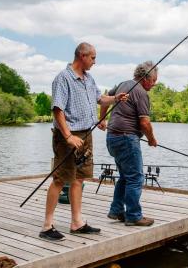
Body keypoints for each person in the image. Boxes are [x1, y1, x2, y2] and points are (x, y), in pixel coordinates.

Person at [40, 42, 128, 241]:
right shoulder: (63, 78)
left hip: (86, 135)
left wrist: (115, 98)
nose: (95, 62)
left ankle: (76, 223)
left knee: (79, 178)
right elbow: (57, 110)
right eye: (93, 58)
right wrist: (68, 136)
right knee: (60, 179)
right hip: (68, 136)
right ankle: (47, 226)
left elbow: (99, 99)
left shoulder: (89, 78)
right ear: (82, 56)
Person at [99, 61, 158, 227]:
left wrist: (102, 119)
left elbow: (104, 100)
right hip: (127, 139)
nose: (154, 84)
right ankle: (133, 215)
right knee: (136, 178)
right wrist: (152, 139)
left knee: (126, 176)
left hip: (112, 138)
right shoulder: (141, 93)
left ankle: (117, 210)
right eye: (153, 80)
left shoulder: (123, 84)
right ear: (146, 78)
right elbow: (145, 123)